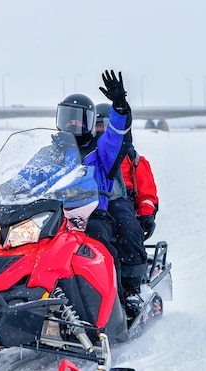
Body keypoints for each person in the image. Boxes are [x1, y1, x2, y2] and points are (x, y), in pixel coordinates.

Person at [56, 70, 143, 319]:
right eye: (68, 118)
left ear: (90, 122)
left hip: (92, 212)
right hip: (55, 214)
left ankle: (122, 294)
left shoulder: (100, 151)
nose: (73, 124)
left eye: (79, 120)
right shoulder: (51, 151)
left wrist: (120, 107)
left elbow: (116, 137)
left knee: (101, 237)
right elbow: (28, 176)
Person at [93, 103, 159, 320]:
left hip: (121, 200)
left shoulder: (131, 157)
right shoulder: (86, 152)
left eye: (105, 125)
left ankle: (131, 289)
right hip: (87, 200)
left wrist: (147, 213)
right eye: (98, 125)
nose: (101, 130)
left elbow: (147, 191)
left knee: (126, 229)